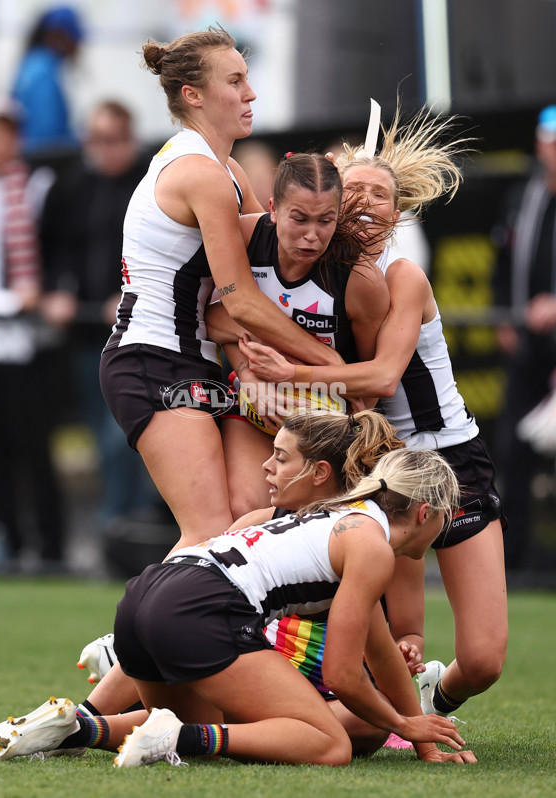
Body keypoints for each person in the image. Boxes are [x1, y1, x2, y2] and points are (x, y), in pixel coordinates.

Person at [0, 415, 476, 767]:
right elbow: (343, 674)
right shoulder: (371, 545)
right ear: (425, 513)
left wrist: (423, 743)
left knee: (200, 726)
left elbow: (380, 650)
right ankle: (166, 735)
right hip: (199, 608)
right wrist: (406, 727)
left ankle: (74, 727)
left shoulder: (333, 518)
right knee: (329, 744)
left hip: (145, 596)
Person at [238, 104, 508, 720]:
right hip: (380, 463)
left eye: (379, 194)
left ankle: (431, 702)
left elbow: (383, 376)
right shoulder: (324, 270)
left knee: (484, 660)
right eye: (352, 189)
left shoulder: (404, 275)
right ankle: (184, 632)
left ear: (398, 211)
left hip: (448, 456)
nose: (364, 202)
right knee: (397, 633)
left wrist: (290, 373)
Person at [99, 27, 342, 551]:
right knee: (208, 534)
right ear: (193, 95)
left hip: (197, 359)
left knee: (249, 518)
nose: (250, 93)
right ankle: (138, 612)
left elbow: (272, 266)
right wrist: (333, 366)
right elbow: (243, 301)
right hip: (152, 359)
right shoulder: (201, 174)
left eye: (246, 78)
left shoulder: (226, 168)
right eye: (234, 81)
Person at [206, 151, 389, 518]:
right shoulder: (245, 236)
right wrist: (250, 377)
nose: (311, 235)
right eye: (299, 218)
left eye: (325, 221)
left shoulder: (361, 279)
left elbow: (366, 385)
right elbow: (213, 319)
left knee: (306, 522)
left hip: (326, 419)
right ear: (273, 209)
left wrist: (305, 388)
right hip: (256, 405)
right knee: (243, 509)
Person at [0, 98, 67, 571]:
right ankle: (6, 539)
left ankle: (51, 546)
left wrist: (49, 290)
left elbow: (57, 249)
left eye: (6, 134)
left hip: (22, 333)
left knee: (32, 443)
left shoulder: (36, 187)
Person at [39, 100, 160, 530]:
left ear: (131, 139)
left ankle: (125, 518)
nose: (105, 149)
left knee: (125, 430)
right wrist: (58, 291)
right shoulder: (71, 186)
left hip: (140, 332)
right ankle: (119, 518)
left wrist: (129, 295)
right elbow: (54, 249)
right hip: (88, 332)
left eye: (114, 140)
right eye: (96, 139)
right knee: (98, 429)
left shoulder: (151, 185)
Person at [491, 104, 556, 571]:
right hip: (528, 348)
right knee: (513, 450)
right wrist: (506, 318)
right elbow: (501, 265)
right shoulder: (521, 198)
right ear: (540, 145)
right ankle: (514, 562)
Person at [11, 5, 84, 154]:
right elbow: (47, 135)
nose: (77, 46)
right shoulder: (43, 71)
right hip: (42, 158)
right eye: (74, 39)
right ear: (57, 36)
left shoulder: (34, 63)